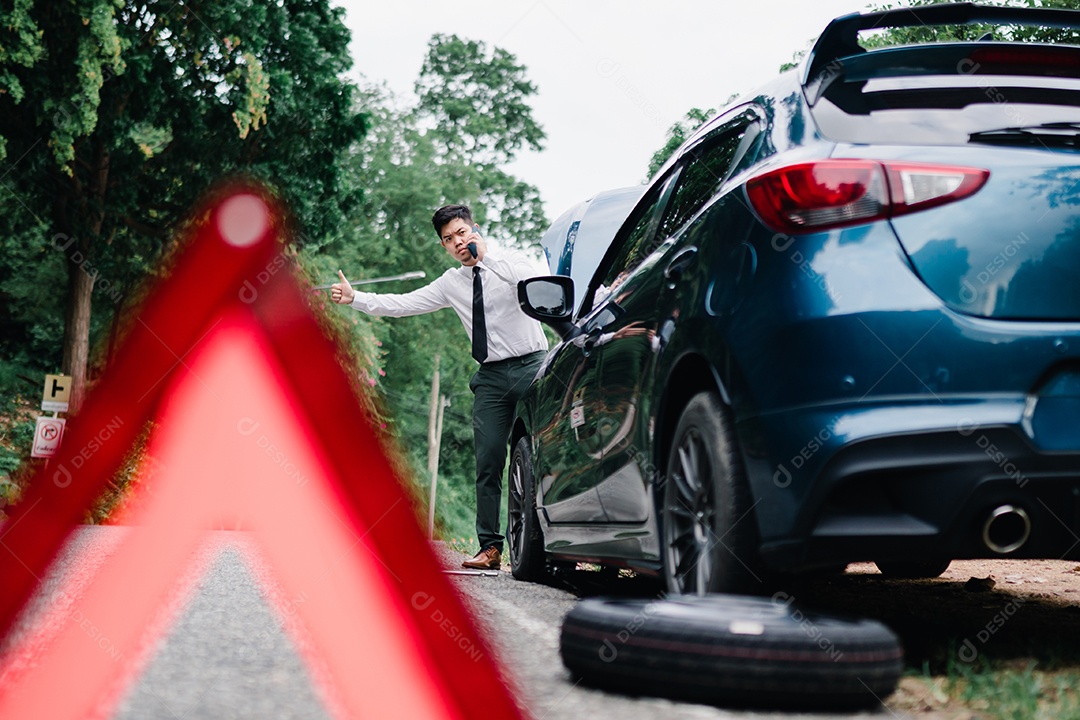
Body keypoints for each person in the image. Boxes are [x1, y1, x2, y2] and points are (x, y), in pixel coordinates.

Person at [330, 204, 548, 570]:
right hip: (491, 378)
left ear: (475, 229)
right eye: (449, 239)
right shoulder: (451, 283)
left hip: (532, 365)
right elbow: (403, 304)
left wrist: (484, 259)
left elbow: (530, 285)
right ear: (443, 246)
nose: (458, 242)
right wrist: (357, 299)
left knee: (537, 453)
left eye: (462, 233)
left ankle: (543, 545)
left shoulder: (510, 261)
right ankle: (491, 548)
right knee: (489, 461)